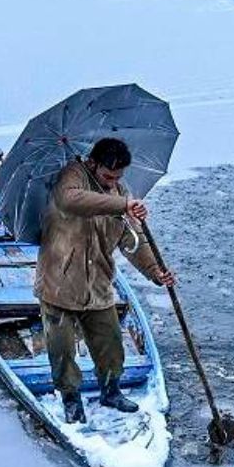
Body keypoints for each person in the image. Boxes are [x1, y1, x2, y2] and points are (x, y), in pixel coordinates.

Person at [35, 137, 176, 424]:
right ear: (92, 163)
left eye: (118, 177)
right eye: (107, 176)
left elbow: (132, 240)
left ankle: (110, 391)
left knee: (111, 345)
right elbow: (68, 199)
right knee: (61, 349)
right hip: (58, 283)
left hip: (98, 284)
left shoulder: (120, 192)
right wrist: (121, 204)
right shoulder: (72, 176)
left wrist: (156, 272)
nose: (113, 182)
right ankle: (70, 398)